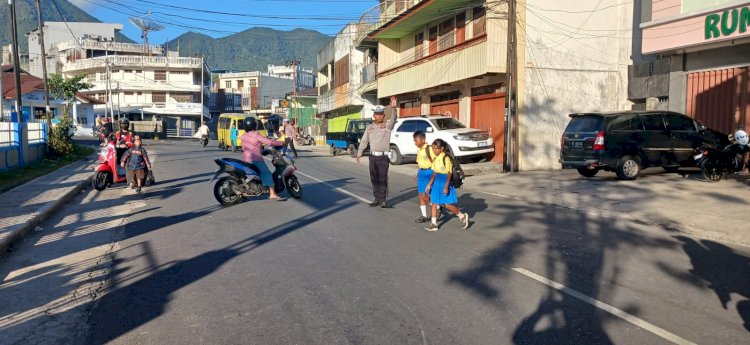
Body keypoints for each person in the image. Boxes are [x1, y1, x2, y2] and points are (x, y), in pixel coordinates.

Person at [424, 139, 470, 231]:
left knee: (447, 205)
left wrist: (446, 186)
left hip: (445, 182)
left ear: (442, 148)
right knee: (434, 202)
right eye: (433, 148)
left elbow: (449, 173)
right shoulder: (436, 158)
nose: (434, 150)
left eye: (436, 149)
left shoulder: (446, 158)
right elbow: (434, 173)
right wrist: (429, 184)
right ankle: (434, 224)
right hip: (437, 183)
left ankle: (462, 216)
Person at [356, 105, 396, 208]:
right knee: (374, 178)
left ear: (383, 115)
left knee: (383, 178)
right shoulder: (369, 128)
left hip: (383, 157)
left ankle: (383, 200)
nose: (379, 116)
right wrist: (359, 153)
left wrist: (394, 108)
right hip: (373, 157)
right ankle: (376, 198)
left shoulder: (387, 126)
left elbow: (393, 119)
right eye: (377, 114)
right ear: (374, 116)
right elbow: (364, 140)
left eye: (381, 114)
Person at [239, 117, 287, 201]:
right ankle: (272, 194)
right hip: (256, 159)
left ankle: (245, 191)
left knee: (253, 175)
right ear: (255, 125)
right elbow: (269, 142)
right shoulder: (256, 134)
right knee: (267, 173)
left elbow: (246, 147)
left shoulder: (244, 135)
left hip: (246, 160)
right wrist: (280, 143)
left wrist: (261, 150)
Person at [413, 131, 435, 223]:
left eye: (416, 140)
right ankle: (424, 216)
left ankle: (436, 206)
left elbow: (435, 161)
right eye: (414, 141)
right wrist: (418, 174)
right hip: (422, 172)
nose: (415, 143)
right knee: (421, 195)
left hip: (429, 172)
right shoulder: (419, 149)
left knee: (425, 195)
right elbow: (419, 163)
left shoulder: (429, 149)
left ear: (423, 139)